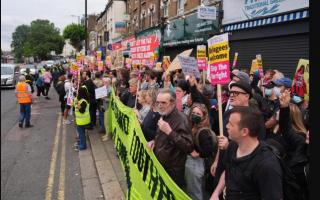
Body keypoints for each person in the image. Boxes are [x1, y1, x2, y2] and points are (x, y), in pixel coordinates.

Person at [210, 106, 283, 200]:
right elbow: (228, 171)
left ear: (244, 131)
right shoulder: (232, 146)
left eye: (231, 124)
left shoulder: (267, 165)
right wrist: (216, 193)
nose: (226, 126)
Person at [147, 88, 193, 188]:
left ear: (173, 103)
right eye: (158, 102)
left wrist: (170, 132)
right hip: (161, 166)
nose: (160, 105)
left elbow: (188, 147)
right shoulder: (164, 115)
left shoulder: (182, 119)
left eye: (163, 102)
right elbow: (162, 136)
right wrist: (154, 141)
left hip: (173, 172)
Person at [185, 103, 217, 200]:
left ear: (204, 116)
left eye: (198, 114)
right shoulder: (193, 126)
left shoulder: (203, 131)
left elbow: (208, 150)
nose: (195, 115)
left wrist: (198, 154)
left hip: (196, 164)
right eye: (193, 112)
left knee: (195, 193)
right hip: (191, 164)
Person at [73, 85, 91, 151]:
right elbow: (73, 107)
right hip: (80, 120)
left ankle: (83, 146)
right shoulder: (80, 100)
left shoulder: (83, 101)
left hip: (82, 121)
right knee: (81, 133)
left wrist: (77, 103)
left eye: (78, 92)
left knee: (81, 134)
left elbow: (82, 110)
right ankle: (80, 143)